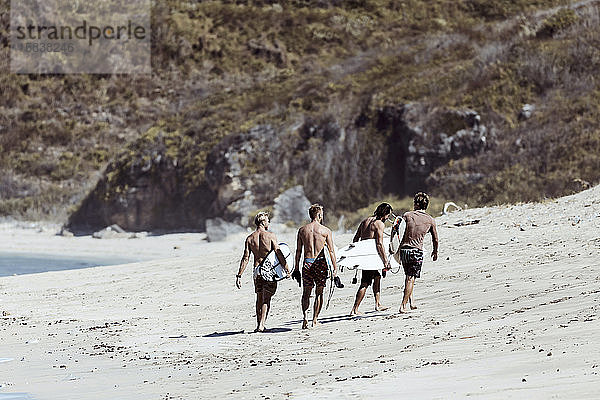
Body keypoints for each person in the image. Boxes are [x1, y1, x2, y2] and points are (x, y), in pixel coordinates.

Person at [236, 211, 289, 332]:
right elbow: (278, 252)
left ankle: (257, 324)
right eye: (267, 220)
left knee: (259, 297)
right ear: (263, 222)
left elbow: (245, 258)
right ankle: (262, 324)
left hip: (257, 271)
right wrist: (286, 267)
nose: (269, 222)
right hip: (269, 271)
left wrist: (239, 275)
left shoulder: (250, 238)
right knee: (266, 298)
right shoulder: (270, 236)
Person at [293, 204, 339, 329]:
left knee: (306, 292)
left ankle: (305, 317)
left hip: (307, 262)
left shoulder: (302, 230)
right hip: (320, 263)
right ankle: (315, 320)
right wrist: (335, 268)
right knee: (319, 292)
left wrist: (296, 268)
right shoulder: (325, 231)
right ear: (319, 215)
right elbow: (331, 251)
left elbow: (298, 251)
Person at [350, 202, 393, 316]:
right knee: (365, 283)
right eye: (388, 215)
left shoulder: (365, 221)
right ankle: (355, 309)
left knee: (377, 277)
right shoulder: (379, 224)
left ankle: (378, 304)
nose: (388, 218)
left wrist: (358, 254)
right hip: (372, 257)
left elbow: (356, 239)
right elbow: (379, 244)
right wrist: (385, 261)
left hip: (365, 256)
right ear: (385, 214)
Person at [398, 192, 438, 313]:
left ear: (416, 204)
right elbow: (435, 238)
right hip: (416, 251)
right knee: (411, 278)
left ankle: (411, 302)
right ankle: (403, 305)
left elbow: (398, 231)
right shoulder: (430, 220)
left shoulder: (407, 215)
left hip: (403, 250)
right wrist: (435, 251)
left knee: (409, 277)